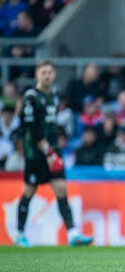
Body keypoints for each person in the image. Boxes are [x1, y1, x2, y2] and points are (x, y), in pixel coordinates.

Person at [15, 61, 93, 247]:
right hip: (36, 154)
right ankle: (19, 234)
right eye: (44, 72)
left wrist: (54, 150)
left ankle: (73, 234)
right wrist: (47, 150)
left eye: (50, 72)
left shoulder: (54, 96)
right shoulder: (31, 97)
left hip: (53, 152)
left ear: (54, 74)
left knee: (61, 190)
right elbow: (31, 128)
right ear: (37, 74)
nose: (47, 76)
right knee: (29, 191)